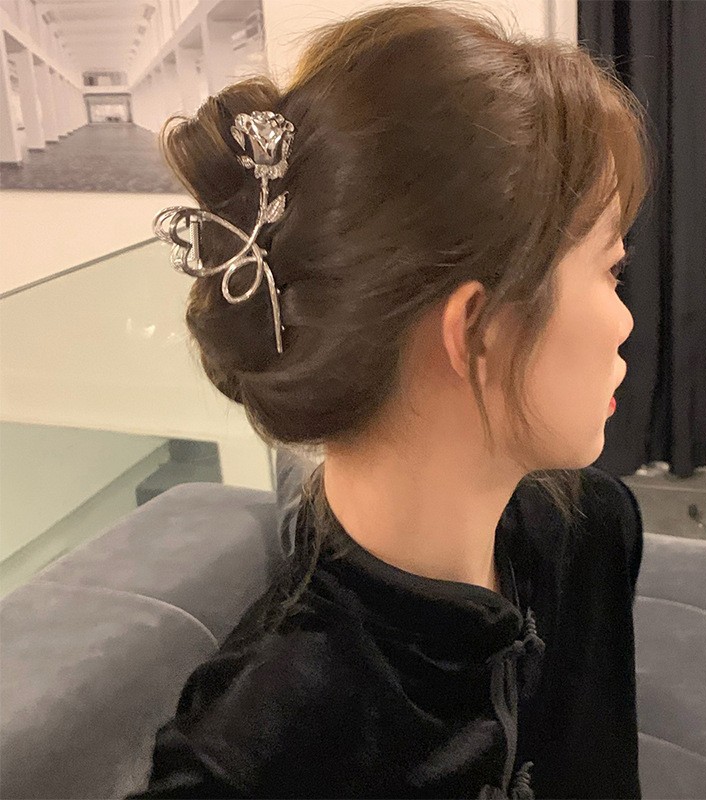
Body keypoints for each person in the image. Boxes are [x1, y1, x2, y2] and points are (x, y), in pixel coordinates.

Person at [128, 2, 653, 797]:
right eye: (610, 269)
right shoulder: (248, 759)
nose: (626, 321)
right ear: (478, 331)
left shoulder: (589, 536)